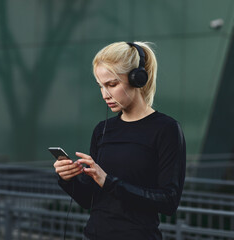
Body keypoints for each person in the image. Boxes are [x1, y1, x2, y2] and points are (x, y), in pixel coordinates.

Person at [53, 41, 186, 240]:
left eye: (112, 85)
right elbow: (89, 200)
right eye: (101, 86)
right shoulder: (102, 130)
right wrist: (67, 178)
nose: (105, 94)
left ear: (137, 79)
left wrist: (108, 181)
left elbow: (168, 202)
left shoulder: (166, 129)